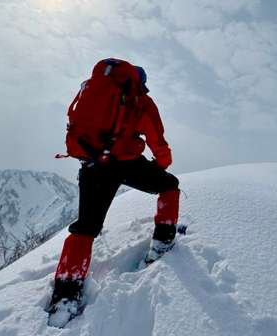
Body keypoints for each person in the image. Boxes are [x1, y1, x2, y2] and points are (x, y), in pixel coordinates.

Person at [47, 59, 180, 314]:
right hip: (126, 164)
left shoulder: (93, 91)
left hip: (92, 165)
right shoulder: (140, 101)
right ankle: (162, 242)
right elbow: (158, 143)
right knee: (169, 186)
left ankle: (65, 293)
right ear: (140, 83)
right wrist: (161, 165)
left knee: (86, 227)